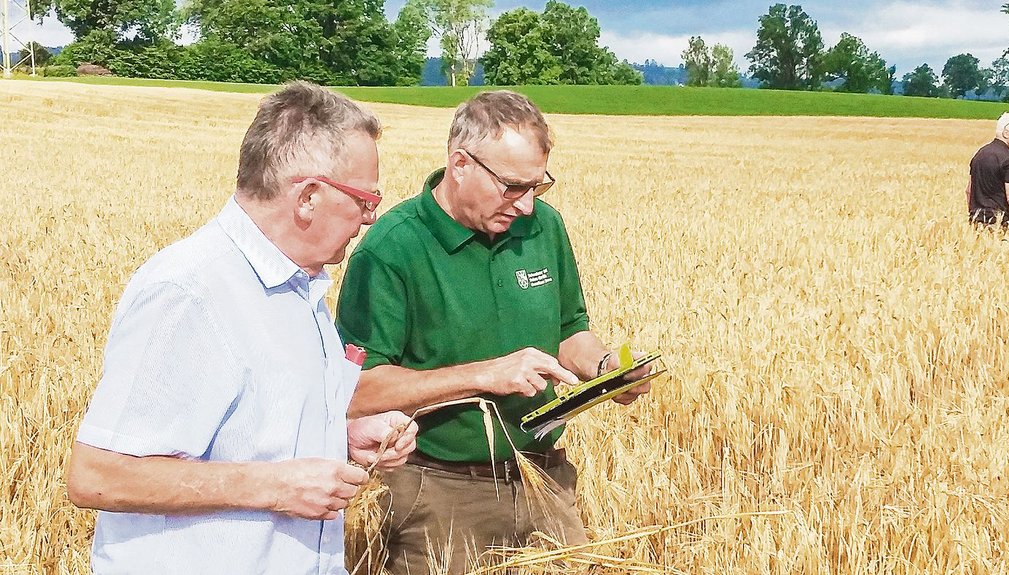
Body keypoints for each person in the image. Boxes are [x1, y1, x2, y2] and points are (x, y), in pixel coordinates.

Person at [66, 82, 419, 575]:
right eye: (364, 200)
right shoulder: (191, 291)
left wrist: (339, 438)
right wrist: (276, 488)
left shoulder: (300, 285)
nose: (371, 218)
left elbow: (249, 434)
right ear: (308, 197)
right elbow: (97, 476)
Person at [335, 90, 654, 574]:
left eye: (536, 187)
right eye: (511, 187)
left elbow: (569, 331)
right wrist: (485, 375)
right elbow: (358, 391)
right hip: (438, 493)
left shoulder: (545, 227)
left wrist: (607, 368)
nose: (525, 205)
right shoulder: (391, 249)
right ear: (460, 164)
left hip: (545, 479)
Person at [966, 112, 1009, 227]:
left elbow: (969, 190)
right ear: (1006, 133)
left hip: (976, 223)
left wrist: (974, 216)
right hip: (999, 225)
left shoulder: (980, 154)